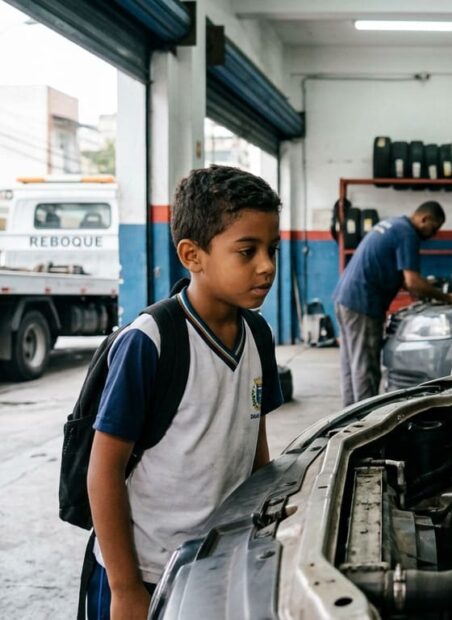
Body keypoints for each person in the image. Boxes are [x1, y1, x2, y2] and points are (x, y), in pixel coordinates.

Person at [86, 165, 284, 619]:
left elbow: (254, 447)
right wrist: (124, 588)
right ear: (192, 255)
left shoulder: (258, 335)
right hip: (147, 571)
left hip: (217, 562)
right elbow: (103, 471)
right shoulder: (152, 341)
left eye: (272, 249)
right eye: (247, 251)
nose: (267, 265)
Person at [333, 200, 452, 406]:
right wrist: (449, 298)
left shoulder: (393, 224)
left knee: (352, 364)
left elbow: (404, 279)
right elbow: (412, 281)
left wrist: (425, 288)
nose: (434, 233)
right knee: (366, 367)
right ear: (424, 218)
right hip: (363, 303)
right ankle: (366, 424)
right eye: (434, 227)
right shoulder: (407, 234)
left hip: (345, 298)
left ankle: (348, 417)